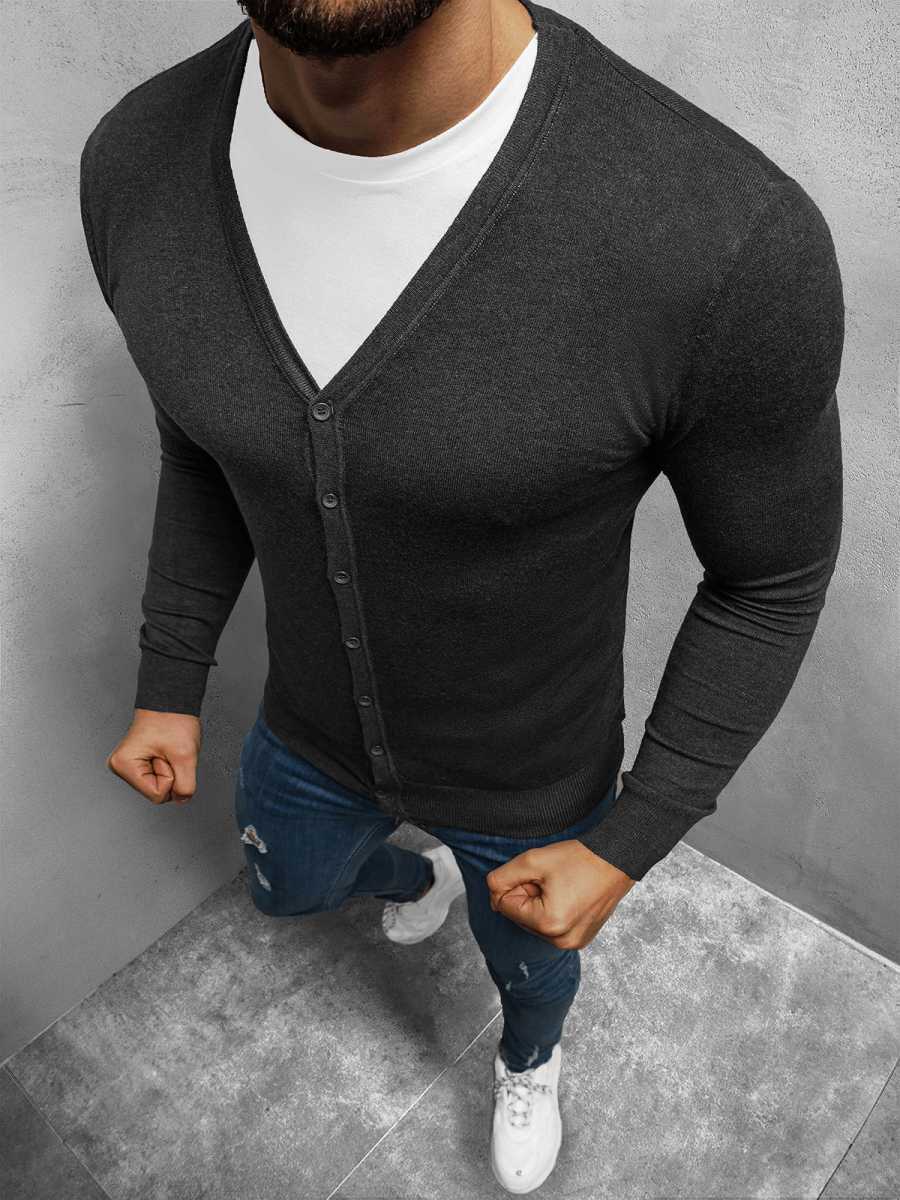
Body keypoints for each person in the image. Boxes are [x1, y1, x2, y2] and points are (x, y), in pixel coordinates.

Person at [88, 0, 844, 1191]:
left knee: (530, 964)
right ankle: (416, 869)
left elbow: (770, 580)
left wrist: (629, 842)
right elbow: (206, 444)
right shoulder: (135, 163)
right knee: (292, 888)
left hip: (534, 772)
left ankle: (530, 1058)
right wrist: (170, 678)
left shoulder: (721, 236)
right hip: (307, 728)